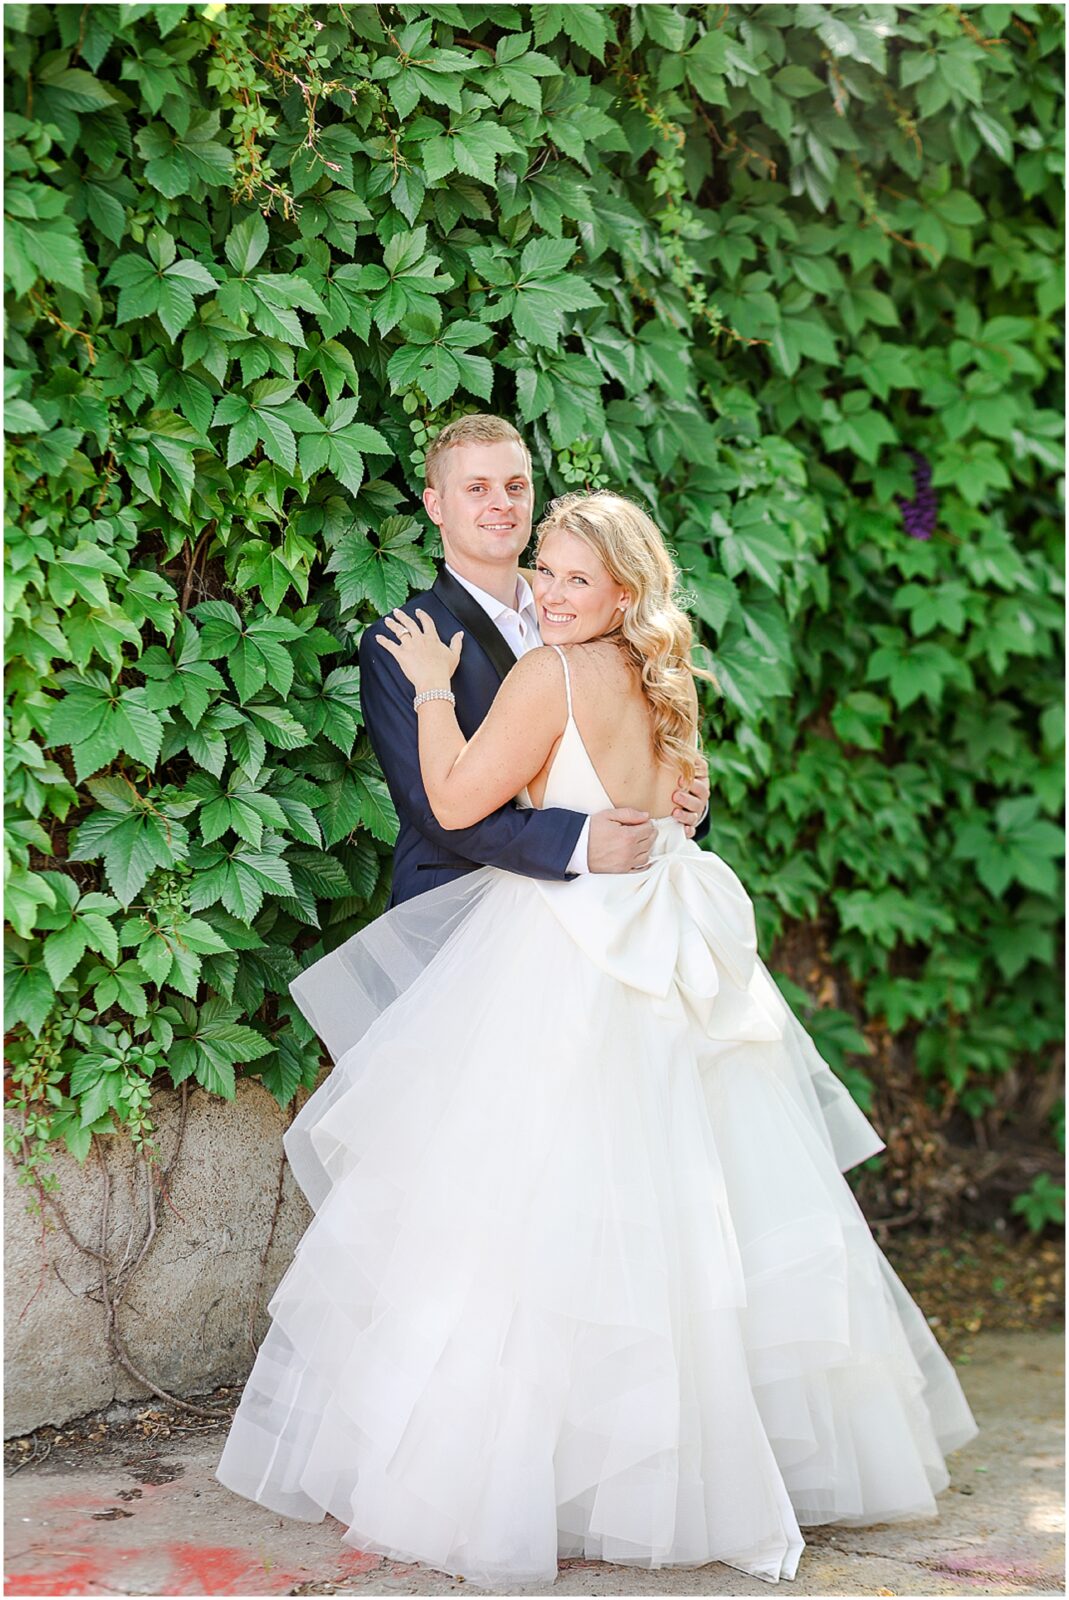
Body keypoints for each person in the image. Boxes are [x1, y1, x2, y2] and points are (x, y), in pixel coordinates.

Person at [215, 489, 979, 1588]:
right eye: (548, 574)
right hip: (659, 937)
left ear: (624, 588)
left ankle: (530, 1472)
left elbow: (455, 797)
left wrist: (433, 691)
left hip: (565, 948)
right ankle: (687, 1466)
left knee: (528, 1210)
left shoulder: (551, 673)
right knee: (683, 1202)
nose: (552, 594)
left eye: (577, 577)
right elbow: (677, 804)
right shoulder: (661, 673)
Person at [354, 414, 711, 908]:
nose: (501, 503)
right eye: (477, 488)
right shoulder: (405, 640)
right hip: (460, 907)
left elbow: (642, 749)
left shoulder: (581, 605)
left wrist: (686, 803)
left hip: (610, 901)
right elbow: (433, 810)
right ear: (435, 506)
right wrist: (578, 843)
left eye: (515, 485)